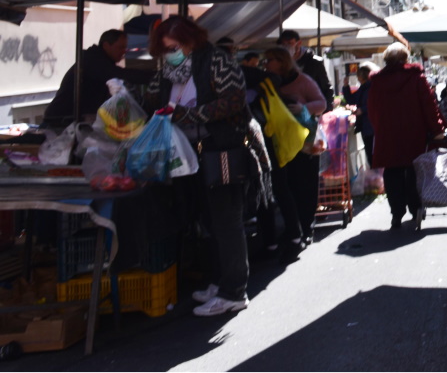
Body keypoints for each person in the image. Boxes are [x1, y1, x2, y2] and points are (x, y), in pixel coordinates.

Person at [140, 16, 256, 316]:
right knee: (208, 221)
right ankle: (219, 282)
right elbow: (153, 96)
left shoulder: (217, 61)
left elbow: (233, 100)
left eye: (174, 47)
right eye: (165, 49)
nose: (170, 53)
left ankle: (234, 291)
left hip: (222, 150)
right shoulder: (166, 70)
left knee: (226, 220)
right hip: (191, 155)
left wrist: (191, 115)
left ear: (191, 40)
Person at [366, 43, 446, 231]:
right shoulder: (416, 78)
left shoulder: (377, 82)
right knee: (414, 170)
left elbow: (372, 110)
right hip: (413, 132)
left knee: (392, 172)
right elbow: (429, 106)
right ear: (406, 59)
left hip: (387, 134)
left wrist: (381, 127)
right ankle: (416, 208)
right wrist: (437, 130)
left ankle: (396, 213)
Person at [262, 46, 325, 252]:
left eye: (270, 59)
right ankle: (294, 229)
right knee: (287, 187)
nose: (266, 63)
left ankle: (306, 229)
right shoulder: (268, 83)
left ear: (282, 61)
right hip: (280, 143)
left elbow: (322, 102)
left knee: (305, 186)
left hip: (304, 143)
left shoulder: (303, 80)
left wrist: (304, 108)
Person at [43, 29, 150, 127]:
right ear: (106, 45)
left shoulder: (98, 60)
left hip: (73, 120)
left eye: (125, 47)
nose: (124, 51)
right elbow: (120, 74)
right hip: (60, 122)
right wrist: (153, 76)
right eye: (120, 47)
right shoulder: (93, 61)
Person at [278, 29, 334, 109]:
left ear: (299, 43)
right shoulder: (279, 64)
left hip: (310, 111)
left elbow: (325, 88)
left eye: (290, 43)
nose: (287, 47)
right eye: (284, 44)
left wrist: (325, 109)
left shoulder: (314, 62)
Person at [342, 62, 378, 163]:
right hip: (365, 126)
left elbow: (375, 104)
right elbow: (352, 100)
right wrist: (346, 86)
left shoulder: (370, 88)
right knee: (369, 151)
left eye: (358, 76)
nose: (357, 78)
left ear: (362, 77)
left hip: (370, 126)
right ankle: (374, 172)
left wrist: (362, 110)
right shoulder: (363, 88)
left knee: (371, 152)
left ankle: (375, 173)